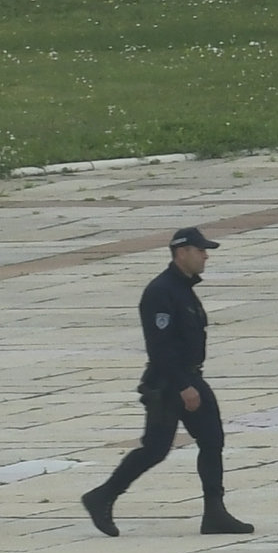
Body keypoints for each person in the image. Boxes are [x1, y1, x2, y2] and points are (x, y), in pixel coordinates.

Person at [84, 225, 251, 537]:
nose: (204, 256)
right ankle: (102, 496)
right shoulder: (161, 292)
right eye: (200, 251)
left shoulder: (183, 288)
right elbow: (159, 347)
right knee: (155, 449)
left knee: (212, 440)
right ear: (181, 253)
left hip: (190, 375)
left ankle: (215, 512)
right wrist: (183, 386)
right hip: (168, 382)